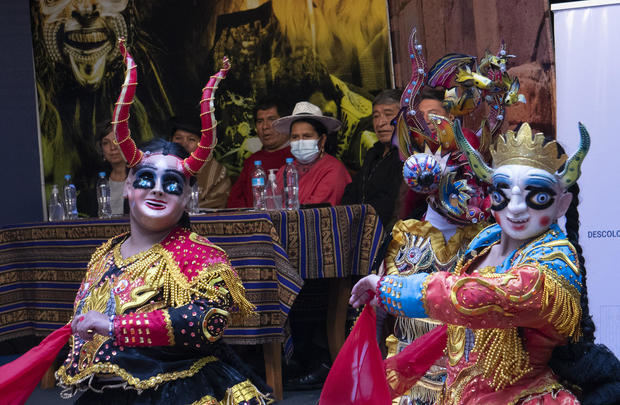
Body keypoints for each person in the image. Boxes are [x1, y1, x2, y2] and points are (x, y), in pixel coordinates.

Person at [55, 43, 270, 404]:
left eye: (171, 184)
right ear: (128, 189)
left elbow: (210, 321)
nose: (157, 190)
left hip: (178, 389)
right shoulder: (104, 254)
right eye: (145, 179)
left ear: (186, 197)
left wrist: (115, 327)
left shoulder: (198, 254)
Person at [350, 121, 600, 404]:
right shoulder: (484, 241)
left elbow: (485, 296)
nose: (515, 207)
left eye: (538, 196)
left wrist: (395, 291)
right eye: (502, 192)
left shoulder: (555, 260)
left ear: (562, 205)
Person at [341, 89, 403, 228]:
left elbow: (390, 204)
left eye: (388, 114)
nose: (380, 123)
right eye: (376, 116)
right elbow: (352, 193)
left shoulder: (407, 156)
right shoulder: (373, 153)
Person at [273, 101, 352, 206]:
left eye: (307, 136)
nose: (300, 142)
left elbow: (316, 211)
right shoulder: (284, 171)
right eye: (295, 137)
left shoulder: (334, 170)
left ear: (322, 140)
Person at [227, 98, 293, 208]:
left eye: (271, 119)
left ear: (286, 123)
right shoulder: (252, 162)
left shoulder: (296, 158)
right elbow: (234, 203)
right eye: (260, 121)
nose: (265, 127)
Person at [170, 115, 231, 209]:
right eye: (178, 138)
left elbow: (216, 206)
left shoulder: (217, 173)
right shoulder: (161, 165)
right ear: (170, 140)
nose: (184, 144)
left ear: (202, 144)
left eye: (191, 139)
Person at [77, 121, 129, 217]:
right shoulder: (98, 180)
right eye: (106, 143)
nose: (112, 148)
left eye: (117, 141)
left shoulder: (140, 175)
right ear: (101, 149)